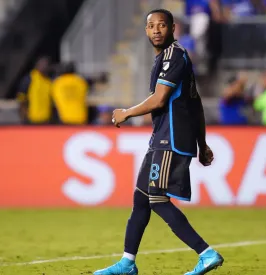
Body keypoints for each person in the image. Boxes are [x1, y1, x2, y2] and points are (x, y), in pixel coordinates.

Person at [93, 9, 224, 275]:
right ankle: (127, 264)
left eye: (161, 25)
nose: (156, 30)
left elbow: (160, 99)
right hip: (163, 137)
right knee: (141, 198)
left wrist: (126, 112)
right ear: (145, 30)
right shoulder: (165, 59)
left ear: (173, 28)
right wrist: (202, 143)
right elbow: (196, 104)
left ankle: (206, 253)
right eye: (151, 26)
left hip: (171, 138)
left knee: (156, 199)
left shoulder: (174, 56)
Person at [16, 56, 53, 125]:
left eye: (46, 65)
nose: (44, 66)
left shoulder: (49, 82)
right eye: (42, 64)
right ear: (37, 65)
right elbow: (21, 101)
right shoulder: (29, 79)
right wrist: (24, 118)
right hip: (32, 121)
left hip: (46, 121)